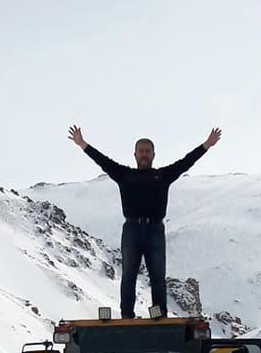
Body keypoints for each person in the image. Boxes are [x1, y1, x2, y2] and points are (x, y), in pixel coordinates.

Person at [69, 124, 221, 318]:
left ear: (153, 155)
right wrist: (83, 144)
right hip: (131, 228)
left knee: (157, 276)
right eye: (141, 151)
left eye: (148, 151)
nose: (144, 154)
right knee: (129, 275)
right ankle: (127, 315)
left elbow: (185, 163)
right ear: (135, 155)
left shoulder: (163, 175)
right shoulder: (125, 174)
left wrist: (206, 145)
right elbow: (103, 162)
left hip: (155, 229)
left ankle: (157, 315)